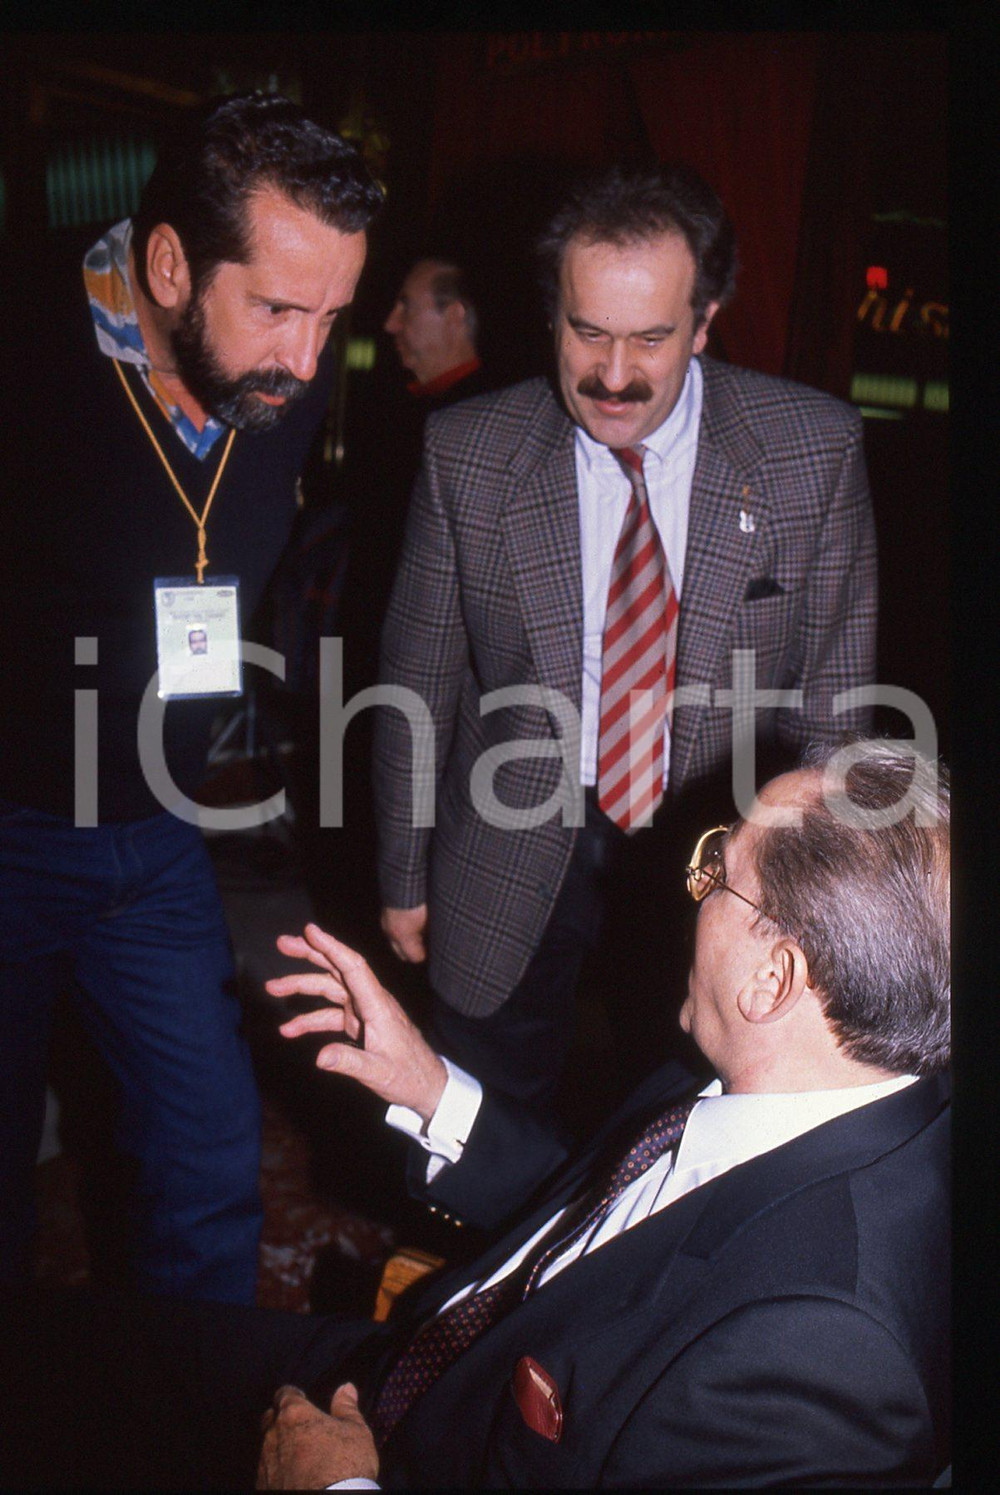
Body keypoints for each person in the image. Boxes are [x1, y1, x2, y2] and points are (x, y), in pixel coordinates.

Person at [2, 742, 950, 1488]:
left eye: (719, 868)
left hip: (397, 1453)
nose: (689, 883)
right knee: (67, 1356)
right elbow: (601, 1227)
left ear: (774, 977)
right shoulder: (801, 1077)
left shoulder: (826, 1353)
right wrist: (430, 1087)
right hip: (389, 1363)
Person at [373, 162, 879, 1111]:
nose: (613, 374)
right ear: (550, 312)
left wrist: (820, 914)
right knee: (479, 1114)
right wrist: (402, 873)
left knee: (672, 1127)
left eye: (650, 337)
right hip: (509, 843)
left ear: (706, 317)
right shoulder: (469, 453)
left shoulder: (811, 451)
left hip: (717, 857)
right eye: (587, 332)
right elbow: (418, 680)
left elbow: (836, 702)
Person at [0, 92, 383, 1303]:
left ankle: (192, 1432)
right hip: (8, 826)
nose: (308, 362)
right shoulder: (26, 349)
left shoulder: (289, 376)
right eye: (277, 309)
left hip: (157, 838)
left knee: (209, 1153)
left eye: (334, 317)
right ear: (168, 263)